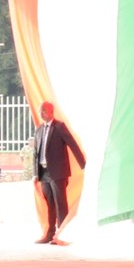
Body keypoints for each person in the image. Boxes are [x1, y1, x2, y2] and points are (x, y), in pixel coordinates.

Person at [33, 101, 85, 245]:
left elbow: (72, 144)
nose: (41, 114)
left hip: (58, 172)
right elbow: (35, 153)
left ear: (51, 111)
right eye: (40, 111)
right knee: (50, 204)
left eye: (44, 111)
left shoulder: (59, 127)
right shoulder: (39, 130)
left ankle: (62, 234)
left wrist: (84, 164)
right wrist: (35, 173)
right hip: (44, 173)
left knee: (60, 204)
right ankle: (50, 234)